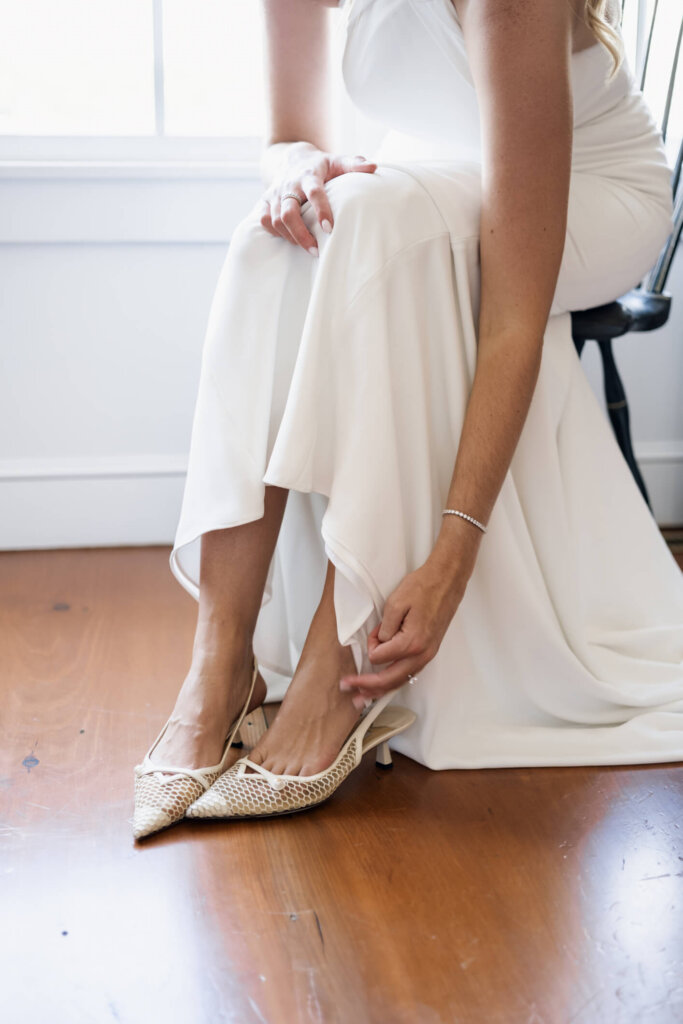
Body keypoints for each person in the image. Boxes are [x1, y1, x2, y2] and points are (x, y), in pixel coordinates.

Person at [133, 0, 683, 840]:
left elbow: (508, 325)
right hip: (434, 171)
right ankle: (219, 666)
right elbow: (290, 132)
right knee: (271, 237)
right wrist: (298, 167)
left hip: (580, 193)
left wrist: (452, 554)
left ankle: (332, 667)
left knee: (376, 224)